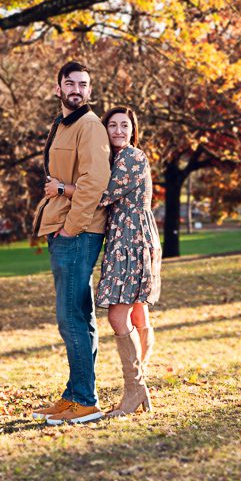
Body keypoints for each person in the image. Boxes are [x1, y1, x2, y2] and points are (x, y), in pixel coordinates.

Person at [44, 105, 161, 418]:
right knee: (137, 313)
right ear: (105, 130)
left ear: (133, 130)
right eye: (113, 126)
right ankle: (139, 390)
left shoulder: (132, 157)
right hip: (125, 239)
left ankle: (135, 390)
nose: (120, 131)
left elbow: (101, 194)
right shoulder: (118, 158)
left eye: (125, 125)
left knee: (119, 317)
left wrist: (61, 188)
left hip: (132, 241)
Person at [31, 60, 111, 425]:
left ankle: (85, 401)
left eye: (83, 84)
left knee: (71, 317)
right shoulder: (65, 125)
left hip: (77, 231)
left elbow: (94, 184)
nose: (76, 89)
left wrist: (71, 228)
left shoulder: (90, 127)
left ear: (89, 91)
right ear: (58, 88)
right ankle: (74, 393)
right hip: (63, 227)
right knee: (78, 314)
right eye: (70, 83)